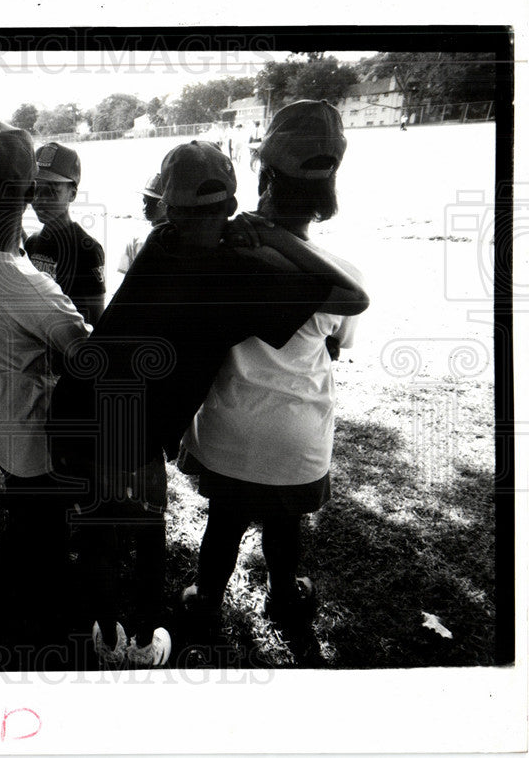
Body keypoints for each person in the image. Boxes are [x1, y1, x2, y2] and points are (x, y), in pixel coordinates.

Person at [49, 140, 368, 668]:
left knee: (97, 536)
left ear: (169, 206)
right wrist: (269, 235)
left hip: (76, 406)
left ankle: (107, 637)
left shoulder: (160, 240)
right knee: (146, 538)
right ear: (231, 206)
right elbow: (353, 297)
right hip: (130, 431)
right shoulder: (244, 269)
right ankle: (147, 644)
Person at [178, 100, 368, 647]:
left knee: (224, 524)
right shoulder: (341, 278)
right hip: (297, 440)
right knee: (286, 529)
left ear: (265, 173)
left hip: (228, 434)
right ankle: (285, 593)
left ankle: (207, 598)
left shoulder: (222, 255)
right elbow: (336, 346)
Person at [0, 122, 92, 652]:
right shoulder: (32, 286)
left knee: (22, 503)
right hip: (29, 420)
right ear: (32, 191)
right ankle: (44, 614)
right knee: (45, 520)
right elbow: (89, 356)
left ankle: (21, 583)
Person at [25, 142, 106, 325]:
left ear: (72, 194)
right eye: (35, 189)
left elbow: (96, 319)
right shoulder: (32, 243)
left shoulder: (87, 249)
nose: (39, 200)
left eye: (51, 191)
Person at [117, 172, 167, 275]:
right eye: (144, 201)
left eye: (153, 202)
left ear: (165, 203)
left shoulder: (178, 238)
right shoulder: (136, 238)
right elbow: (123, 275)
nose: (145, 207)